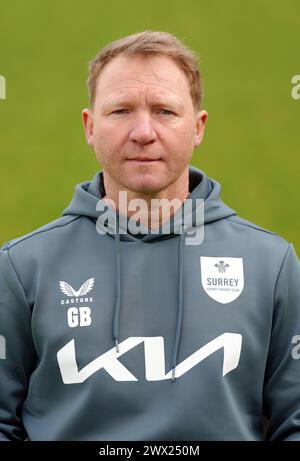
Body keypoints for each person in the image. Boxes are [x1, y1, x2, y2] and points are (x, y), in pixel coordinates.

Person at [0, 30, 299, 442]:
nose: (143, 132)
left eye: (164, 111)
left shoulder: (272, 264)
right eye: (121, 111)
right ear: (90, 127)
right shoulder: (21, 266)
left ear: (198, 127)